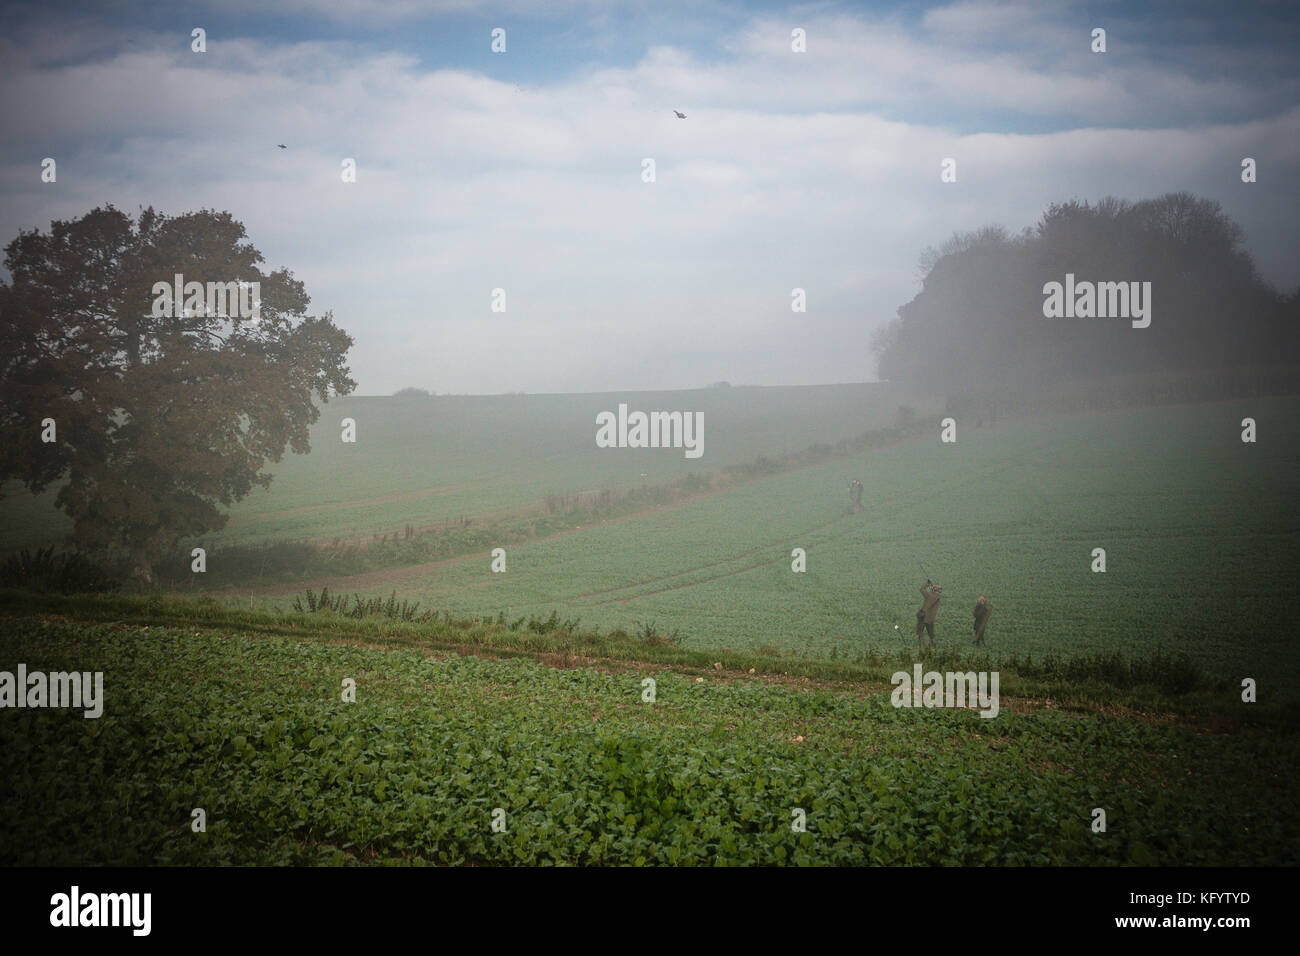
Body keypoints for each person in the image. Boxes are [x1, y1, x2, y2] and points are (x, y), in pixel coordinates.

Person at [915, 579, 941, 646]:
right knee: (931, 633)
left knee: (920, 631)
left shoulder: (929, 596)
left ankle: (921, 644)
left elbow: (921, 589)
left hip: (923, 616)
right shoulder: (938, 598)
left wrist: (927, 584)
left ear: (933, 590)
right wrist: (933, 587)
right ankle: (933, 644)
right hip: (931, 618)